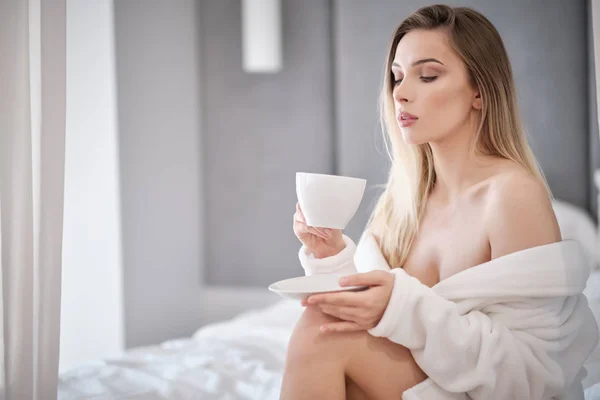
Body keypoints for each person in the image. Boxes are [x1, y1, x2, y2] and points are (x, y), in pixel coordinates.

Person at [280, 4, 599, 400]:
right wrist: (329, 254)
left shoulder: (510, 196)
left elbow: (533, 373)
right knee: (326, 327)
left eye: (427, 75)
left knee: (320, 333)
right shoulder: (399, 203)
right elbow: (364, 310)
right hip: (414, 383)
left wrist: (402, 308)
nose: (402, 92)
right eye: (396, 77)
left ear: (479, 91)